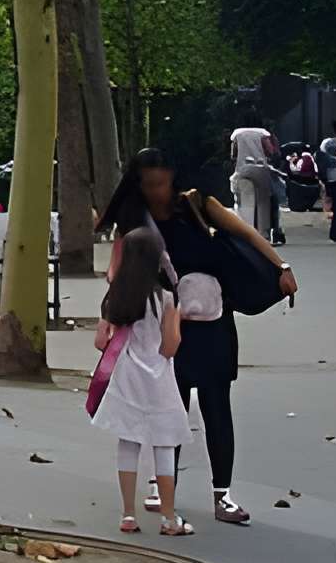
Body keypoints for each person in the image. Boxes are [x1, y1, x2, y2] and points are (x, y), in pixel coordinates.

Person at [101, 149, 295, 527]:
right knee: (166, 409)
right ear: (138, 185)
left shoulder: (196, 204)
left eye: (161, 182)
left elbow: (246, 233)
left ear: (173, 177)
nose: (157, 191)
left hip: (213, 323)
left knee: (216, 408)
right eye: (148, 184)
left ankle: (222, 494)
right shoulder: (133, 218)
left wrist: (280, 265)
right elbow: (118, 265)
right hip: (163, 324)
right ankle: (162, 483)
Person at [90, 222, 192, 536]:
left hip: (126, 375)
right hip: (158, 376)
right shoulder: (165, 298)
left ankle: (128, 515)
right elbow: (170, 345)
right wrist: (177, 317)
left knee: (128, 441)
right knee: (163, 444)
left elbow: (99, 342)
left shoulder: (116, 297)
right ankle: (168, 517)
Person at [228, 121, 283, 243]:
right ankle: (265, 235)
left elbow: (233, 156)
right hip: (261, 170)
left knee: (244, 204)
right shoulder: (263, 135)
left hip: (242, 171)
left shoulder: (237, 135)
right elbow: (272, 152)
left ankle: (246, 233)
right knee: (266, 202)